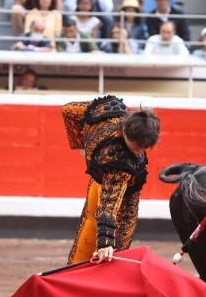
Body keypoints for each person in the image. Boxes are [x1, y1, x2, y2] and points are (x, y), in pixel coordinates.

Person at [62, 95, 160, 264]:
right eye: (137, 146)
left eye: (144, 147)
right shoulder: (121, 163)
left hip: (102, 183)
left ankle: (73, 272)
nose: (139, 152)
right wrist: (105, 243)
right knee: (115, 254)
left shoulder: (109, 108)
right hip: (120, 198)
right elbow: (109, 205)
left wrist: (79, 145)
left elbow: (69, 110)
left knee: (88, 233)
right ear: (125, 132)